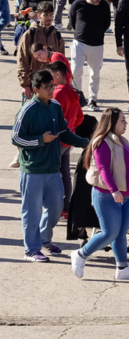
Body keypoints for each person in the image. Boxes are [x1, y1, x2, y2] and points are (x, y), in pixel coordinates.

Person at [12, 70, 88, 262]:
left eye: (52, 86)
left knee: (57, 207)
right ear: (36, 89)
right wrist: (40, 140)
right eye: (46, 87)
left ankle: (45, 240)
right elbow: (16, 138)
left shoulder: (55, 106)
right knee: (32, 211)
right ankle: (31, 250)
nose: (51, 90)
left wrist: (87, 142)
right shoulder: (27, 110)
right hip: (33, 171)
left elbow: (65, 132)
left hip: (53, 169)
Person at [70, 108, 129, 279]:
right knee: (109, 232)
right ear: (112, 123)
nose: (126, 123)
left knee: (121, 232)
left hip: (126, 196)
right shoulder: (102, 142)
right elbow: (103, 169)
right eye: (122, 121)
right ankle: (81, 254)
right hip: (107, 195)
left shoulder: (121, 140)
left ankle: (123, 268)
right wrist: (114, 190)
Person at [45, 59, 81, 218]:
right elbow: (80, 117)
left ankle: (54, 207)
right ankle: (66, 208)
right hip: (68, 139)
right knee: (65, 174)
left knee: (50, 174)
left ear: (57, 74)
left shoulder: (57, 93)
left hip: (57, 140)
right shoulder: (71, 91)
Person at [69, 0, 111, 111]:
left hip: (97, 45)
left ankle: (93, 99)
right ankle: (77, 99)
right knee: (76, 71)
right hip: (79, 44)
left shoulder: (104, 5)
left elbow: (107, 23)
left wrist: (96, 33)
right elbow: (72, 20)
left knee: (95, 73)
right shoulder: (77, 4)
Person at [17, 2, 65, 99]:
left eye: (51, 14)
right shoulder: (29, 34)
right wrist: (25, 85)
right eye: (45, 15)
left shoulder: (57, 36)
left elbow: (61, 62)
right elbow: (22, 60)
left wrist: (60, 84)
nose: (49, 18)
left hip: (52, 86)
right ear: (39, 15)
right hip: (34, 84)